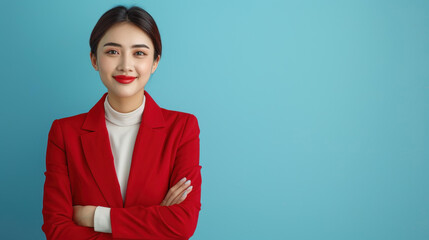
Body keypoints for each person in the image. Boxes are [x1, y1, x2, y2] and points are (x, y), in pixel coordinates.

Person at [42, 5, 201, 239]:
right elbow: (57, 230)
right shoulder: (64, 133)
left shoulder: (182, 128)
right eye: (112, 52)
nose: (126, 65)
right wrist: (155, 221)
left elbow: (182, 225)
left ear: (155, 62)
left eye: (139, 53)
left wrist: (95, 216)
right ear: (94, 59)